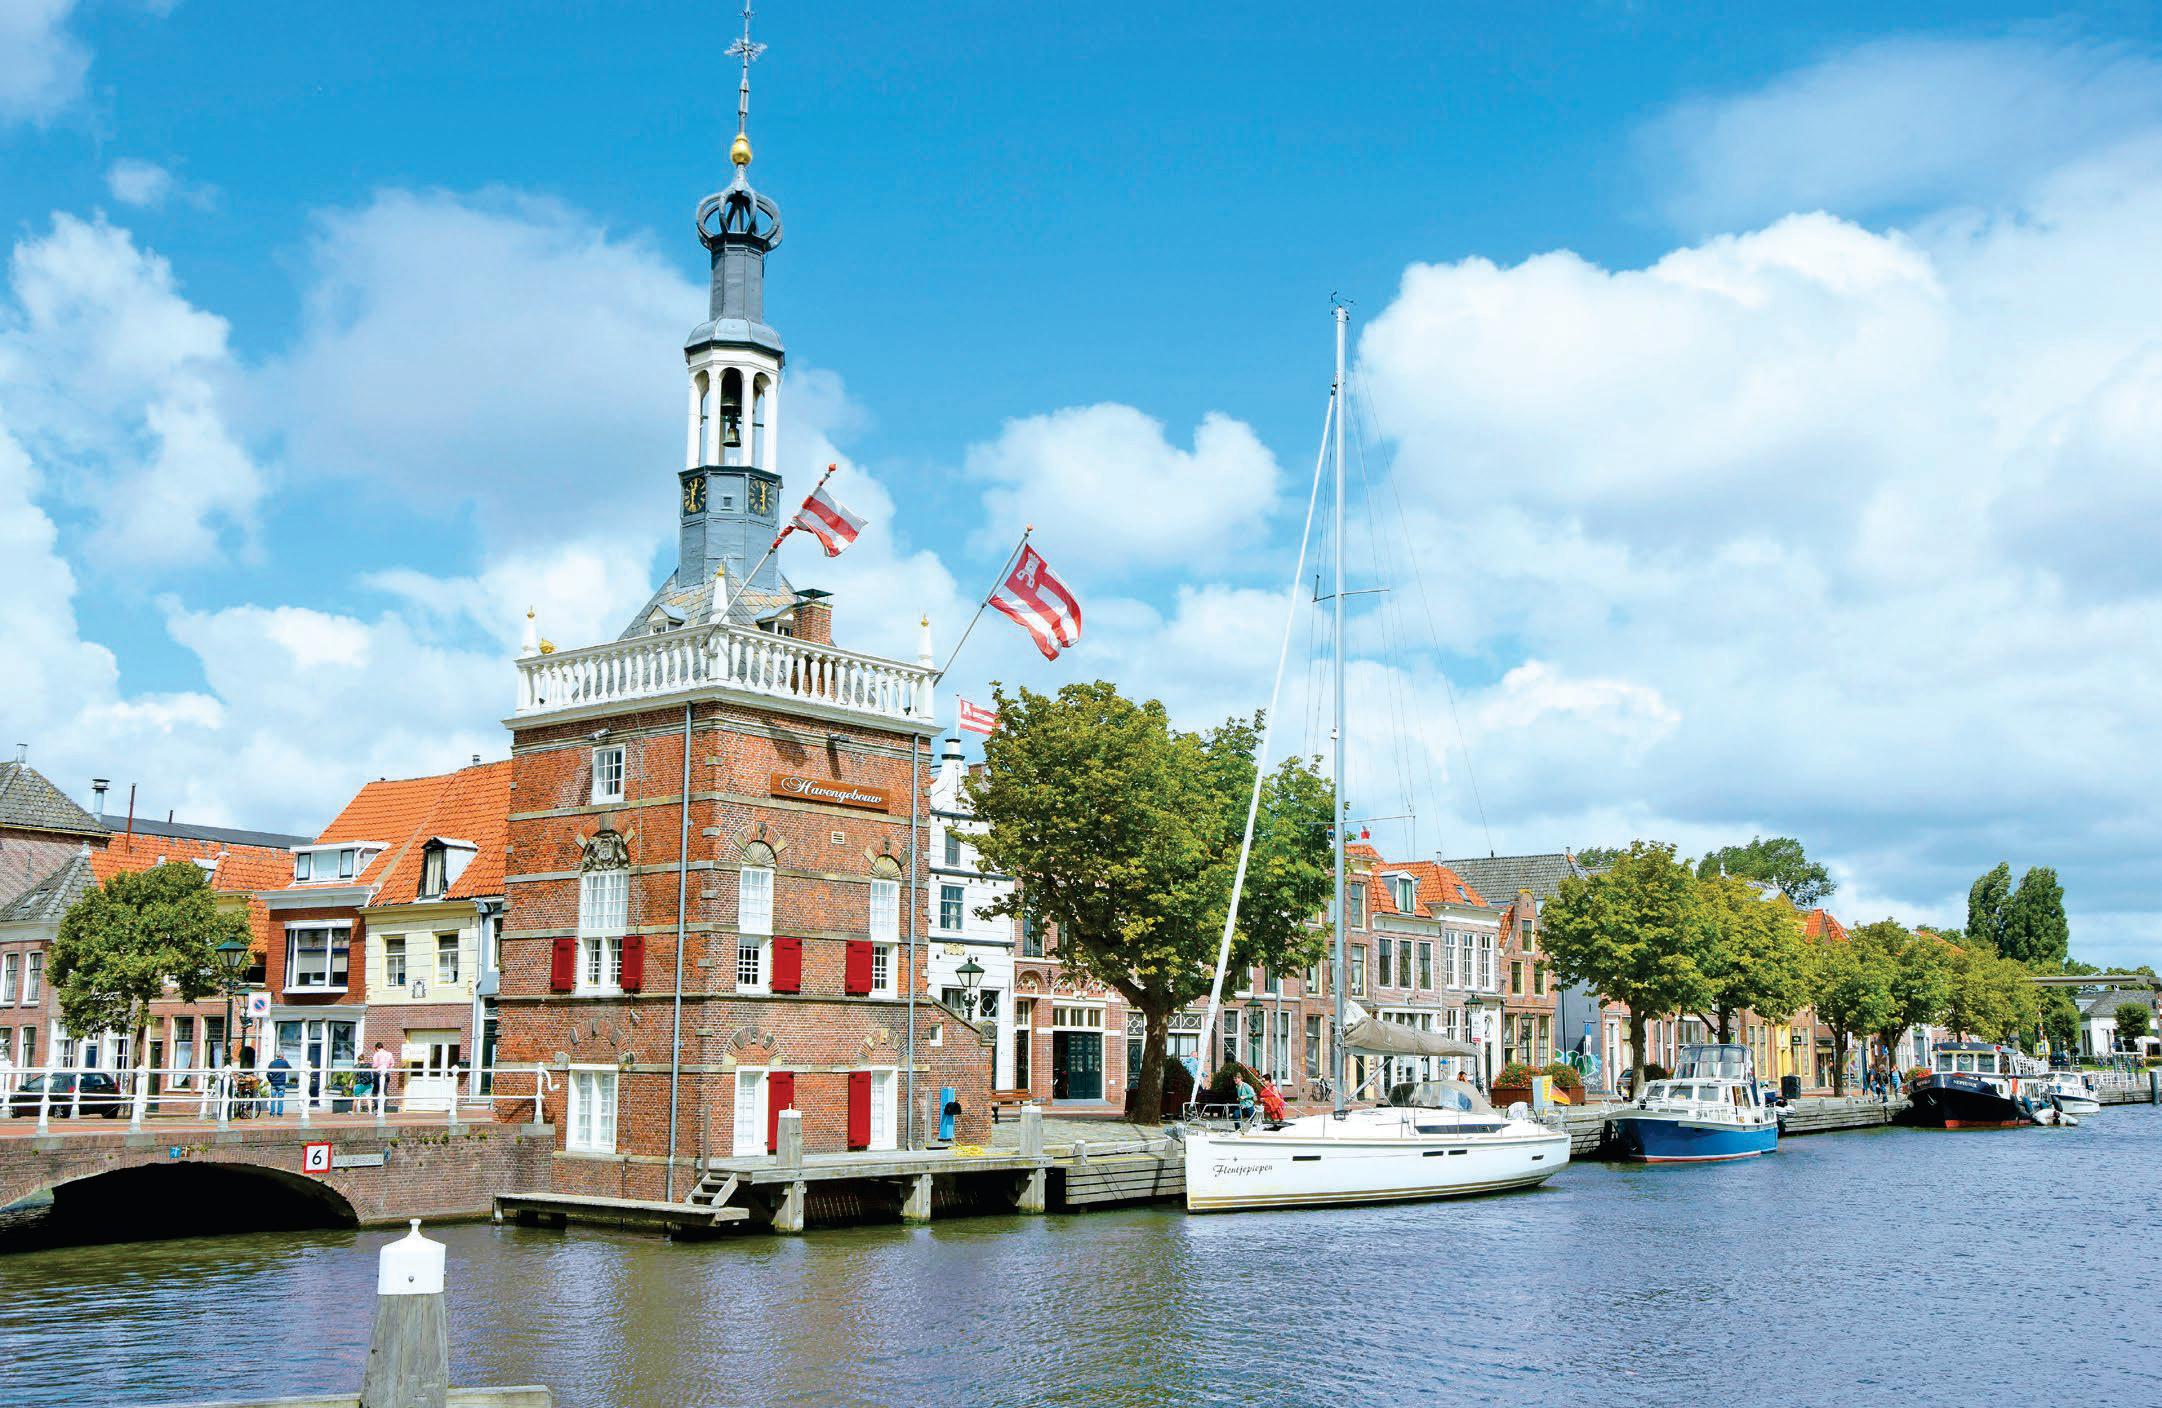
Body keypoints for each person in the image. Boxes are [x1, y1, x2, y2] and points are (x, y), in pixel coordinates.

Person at [369, 1041, 397, 1115]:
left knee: (375, 1092)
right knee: (384, 1091)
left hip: (378, 1074)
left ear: (377, 1048)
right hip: (387, 1074)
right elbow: (392, 1064)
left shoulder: (376, 1054)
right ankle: (383, 1109)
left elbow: (375, 1065)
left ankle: (377, 1108)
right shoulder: (389, 1054)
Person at [265, 1052, 292, 1117]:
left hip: (273, 1083)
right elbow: (290, 1068)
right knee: (280, 1099)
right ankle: (279, 1114)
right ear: (282, 1056)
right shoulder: (284, 1062)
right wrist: (286, 1061)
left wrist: (271, 1080)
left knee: (273, 1099)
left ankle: (272, 1114)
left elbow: (268, 1074)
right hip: (281, 1083)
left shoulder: (272, 1063)